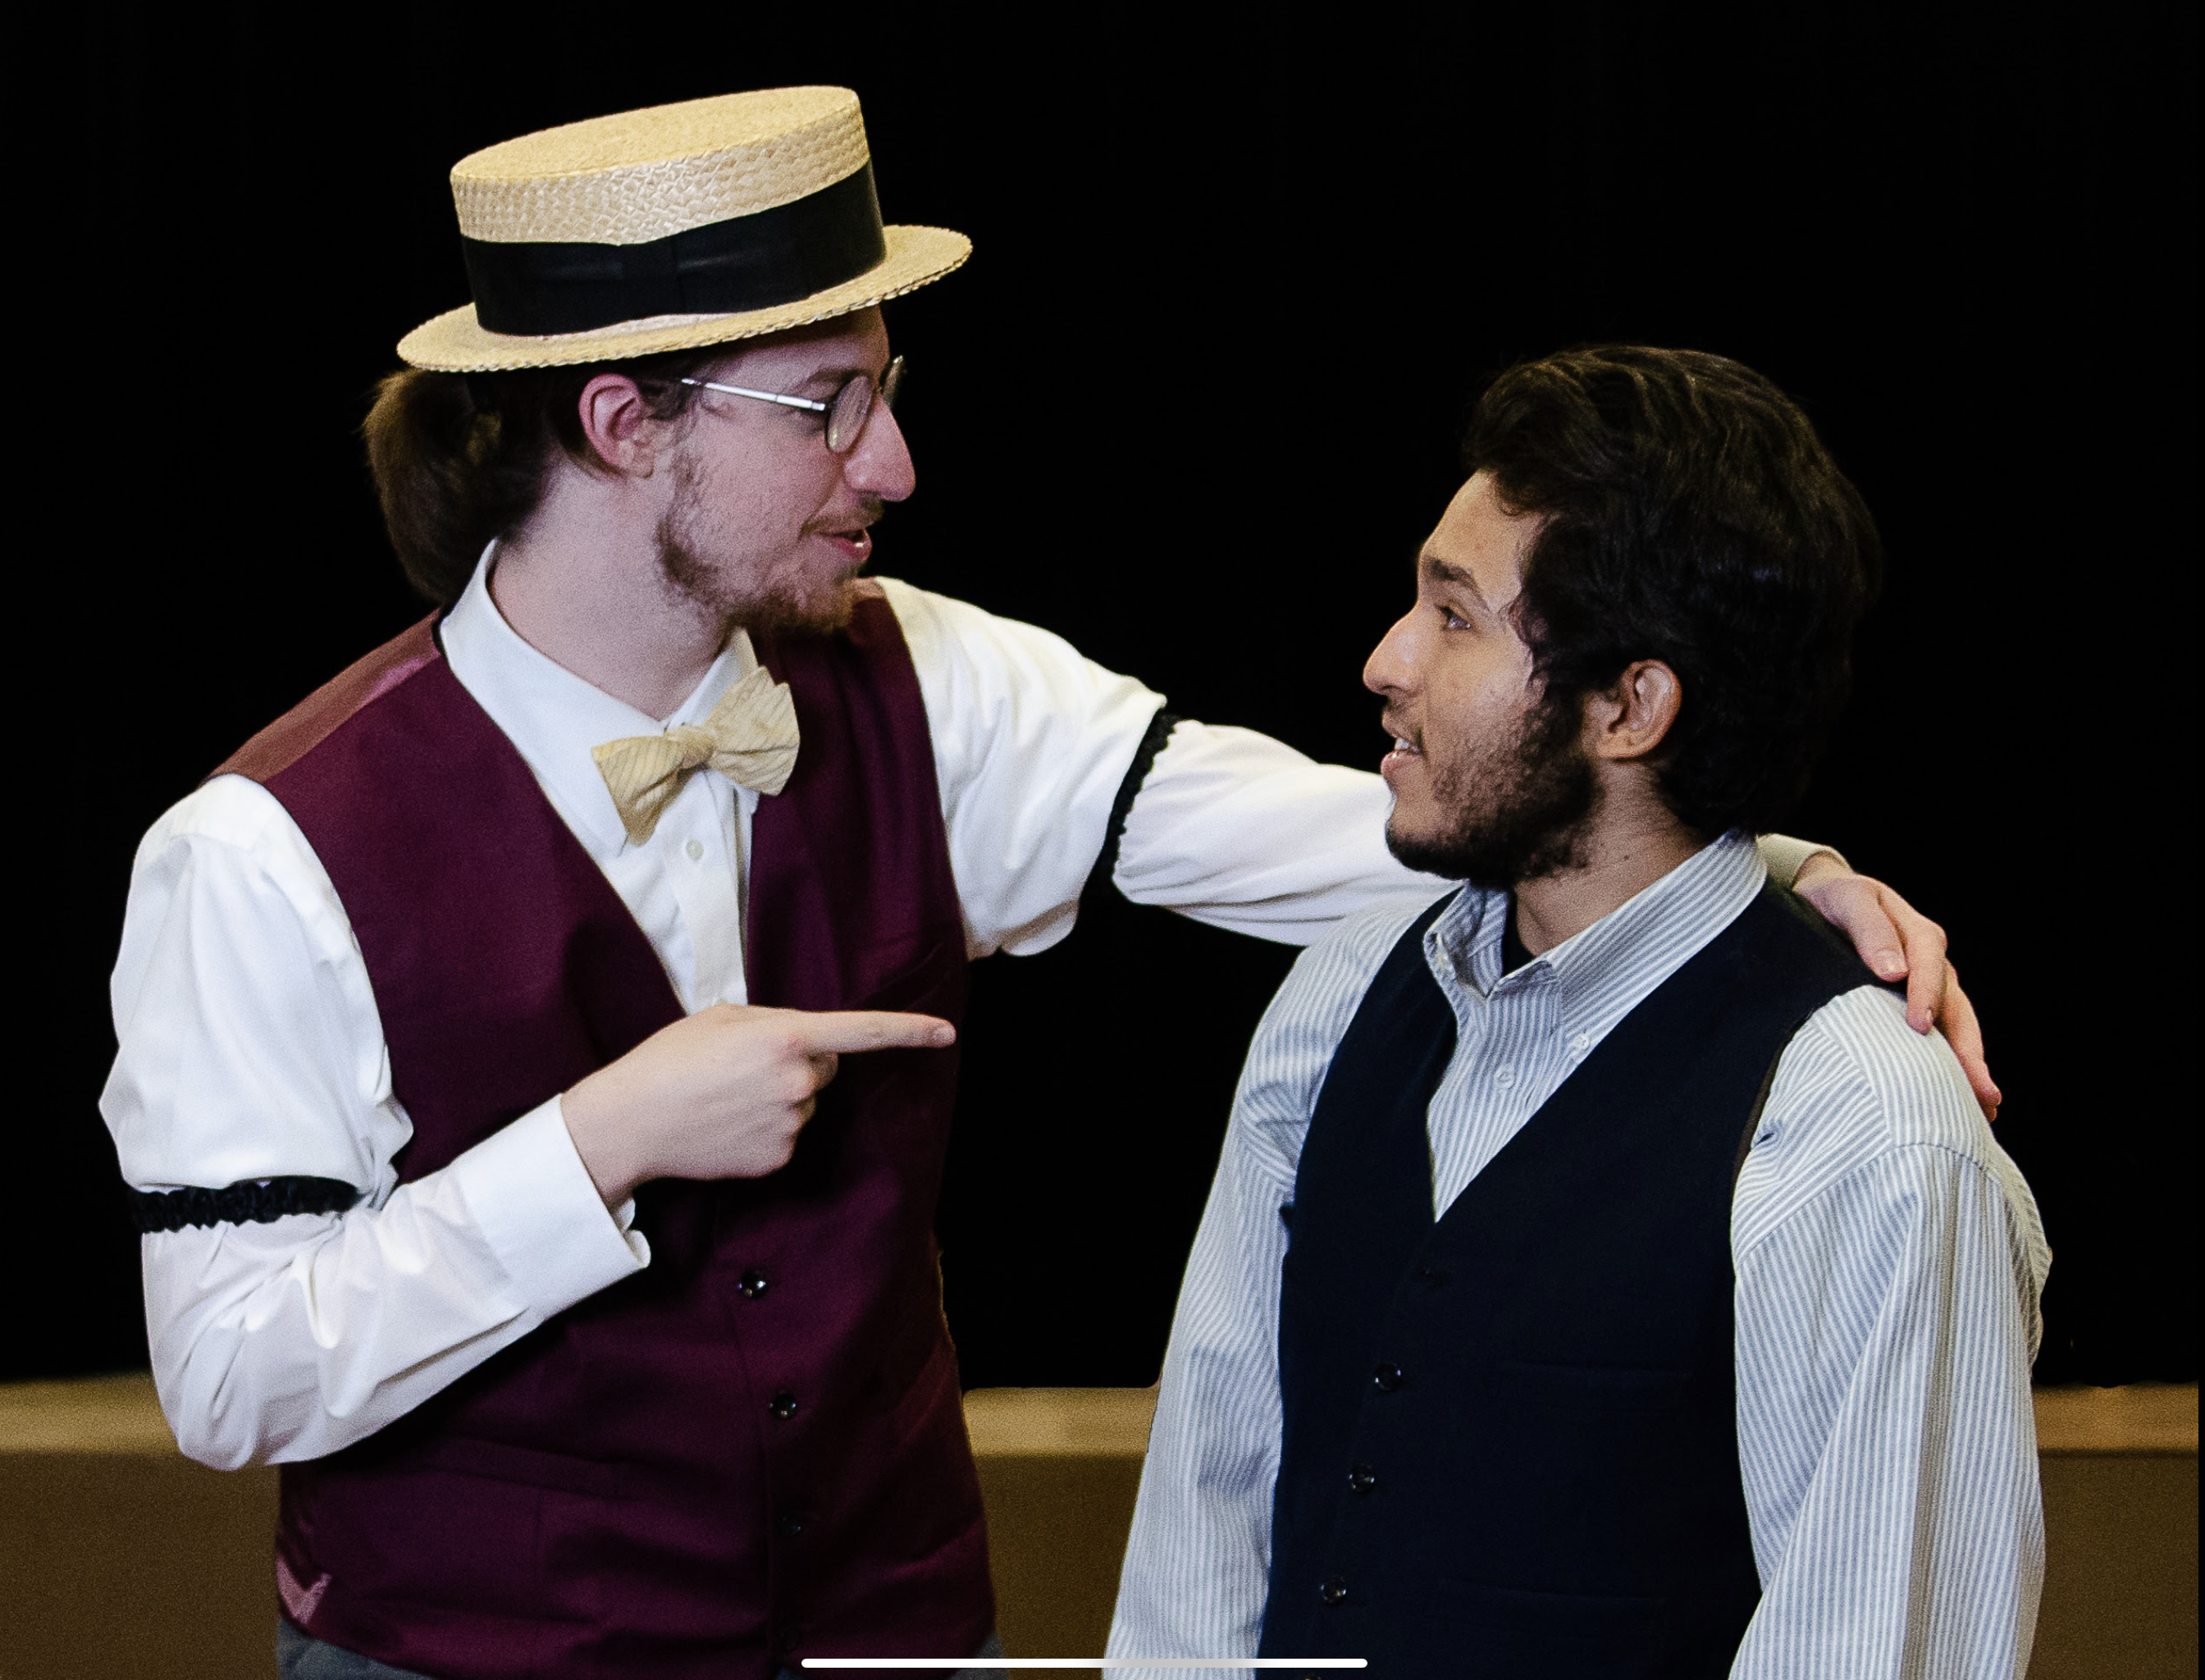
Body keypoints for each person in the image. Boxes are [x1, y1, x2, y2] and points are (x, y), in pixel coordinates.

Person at [101, 91, 1981, 1680]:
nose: (895, 461)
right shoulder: (258, 852)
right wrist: (594, 1144)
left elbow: (1401, 828)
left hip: (897, 1636)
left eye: (885, 391)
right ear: (623, 422)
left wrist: (1751, 867)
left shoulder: (932, 682)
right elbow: (232, 1377)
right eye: (827, 403)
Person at [1108, 346, 2047, 1678]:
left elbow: (1875, 1644)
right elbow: (1204, 1525)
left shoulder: (1862, 1126)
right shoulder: (1337, 1002)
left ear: (1629, 705)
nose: (1384, 661)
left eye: (1455, 618)